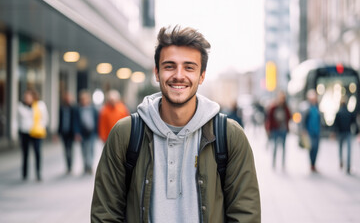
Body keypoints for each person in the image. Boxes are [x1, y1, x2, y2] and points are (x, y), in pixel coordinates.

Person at [91, 25, 261, 222]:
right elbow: (105, 214)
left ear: (202, 76)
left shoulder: (229, 136)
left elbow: (246, 215)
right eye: (169, 66)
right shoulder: (125, 134)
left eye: (189, 67)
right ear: (157, 72)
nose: (179, 75)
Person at [17, 89, 48, 181]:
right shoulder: (20, 106)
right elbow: (17, 119)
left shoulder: (40, 105)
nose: (26, 98)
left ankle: (38, 173)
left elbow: (45, 117)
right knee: (25, 154)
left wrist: (42, 126)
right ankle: (24, 174)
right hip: (25, 132)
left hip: (36, 133)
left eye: (28, 97)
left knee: (37, 153)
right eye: (25, 97)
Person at [74, 90, 98, 175]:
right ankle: (85, 165)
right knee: (84, 150)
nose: (84, 101)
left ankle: (90, 165)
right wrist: (77, 133)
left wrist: (97, 132)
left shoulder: (93, 109)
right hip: (82, 133)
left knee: (91, 149)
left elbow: (97, 120)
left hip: (92, 132)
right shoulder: (78, 109)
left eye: (85, 99)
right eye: (82, 99)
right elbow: (76, 122)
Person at [265, 91, 291, 168]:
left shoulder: (285, 107)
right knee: (275, 147)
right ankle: (274, 163)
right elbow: (269, 119)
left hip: (283, 129)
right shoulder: (273, 107)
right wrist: (268, 129)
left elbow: (289, 116)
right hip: (275, 129)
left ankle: (283, 164)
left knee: (283, 147)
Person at [333, 96, 357, 174]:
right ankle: (348, 166)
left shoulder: (338, 113)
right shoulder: (349, 113)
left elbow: (335, 124)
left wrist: (334, 132)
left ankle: (341, 161)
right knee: (348, 150)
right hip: (348, 132)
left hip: (340, 133)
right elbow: (354, 123)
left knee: (340, 148)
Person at [57, 92, 76, 174]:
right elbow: (59, 121)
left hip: (71, 133)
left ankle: (70, 165)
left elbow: (76, 121)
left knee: (70, 149)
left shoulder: (73, 108)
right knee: (66, 149)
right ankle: (68, 166)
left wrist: (76, 132)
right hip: (64, 132)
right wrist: (58, 132)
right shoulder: (61, 108)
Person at [303, 89, 321, 173]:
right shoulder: (307, 108)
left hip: (317, 131)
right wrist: (304, 130)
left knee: (316, 148)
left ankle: (314, 164)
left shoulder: (317, 107)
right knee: (312, 148)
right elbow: (304, 120)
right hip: (310, 132)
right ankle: (312, 164)